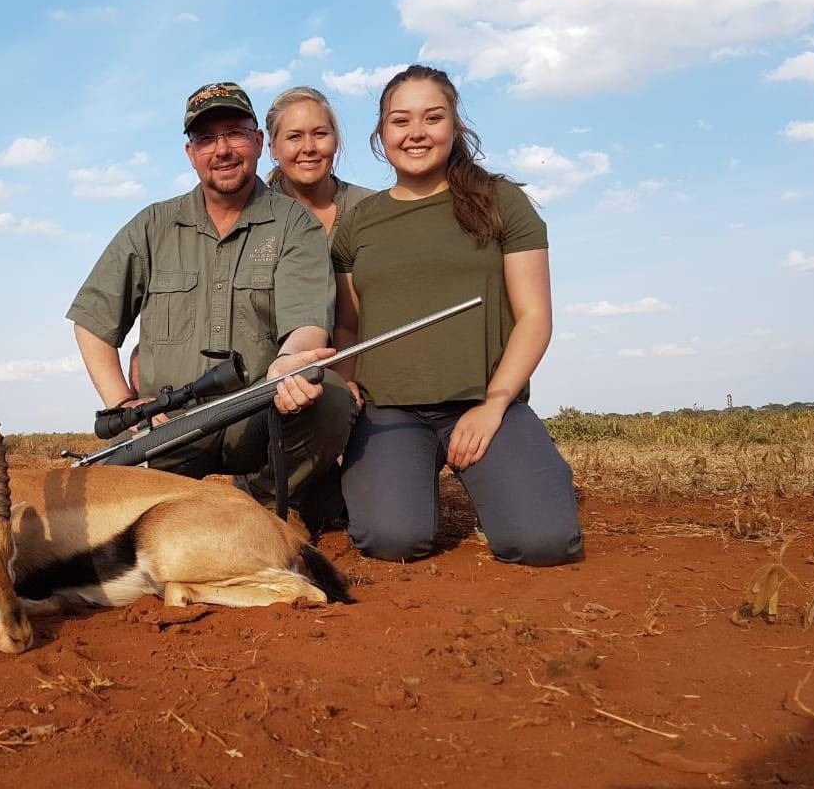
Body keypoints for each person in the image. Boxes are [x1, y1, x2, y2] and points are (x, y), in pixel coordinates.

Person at [67, 82, 356, 526]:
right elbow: (92, 321)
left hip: (262, 415)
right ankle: (183, 503)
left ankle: (263, 503)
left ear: (257, 142)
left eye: (235, 133)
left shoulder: (294, 223)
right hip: (170, 422)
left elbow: (308, 324)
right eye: (206, 138)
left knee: (329, 395)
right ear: (190, 152)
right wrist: (124, 402)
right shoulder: (153, 224)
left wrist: (288, 365)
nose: (222, 150)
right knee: (98, 512)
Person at [330, 65, 583, 566]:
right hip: (390, 413)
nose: (416, 133)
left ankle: (511, 487)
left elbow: (534, 316)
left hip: (485, 402)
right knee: (392, 539)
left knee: (545, 542)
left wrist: (495, 404)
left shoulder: (502, 201)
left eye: (433, 117)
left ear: (454, 125)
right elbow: (349, 327)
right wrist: (347, 388)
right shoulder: (359, 221)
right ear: (381, 132)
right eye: (400, 120)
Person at [263, 86, 374, 239]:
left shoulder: (371, 208)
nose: (309, 148)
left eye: (320, 134)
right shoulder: (256, 216)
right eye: (294, 136)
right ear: (273, 148)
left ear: (335, 141)